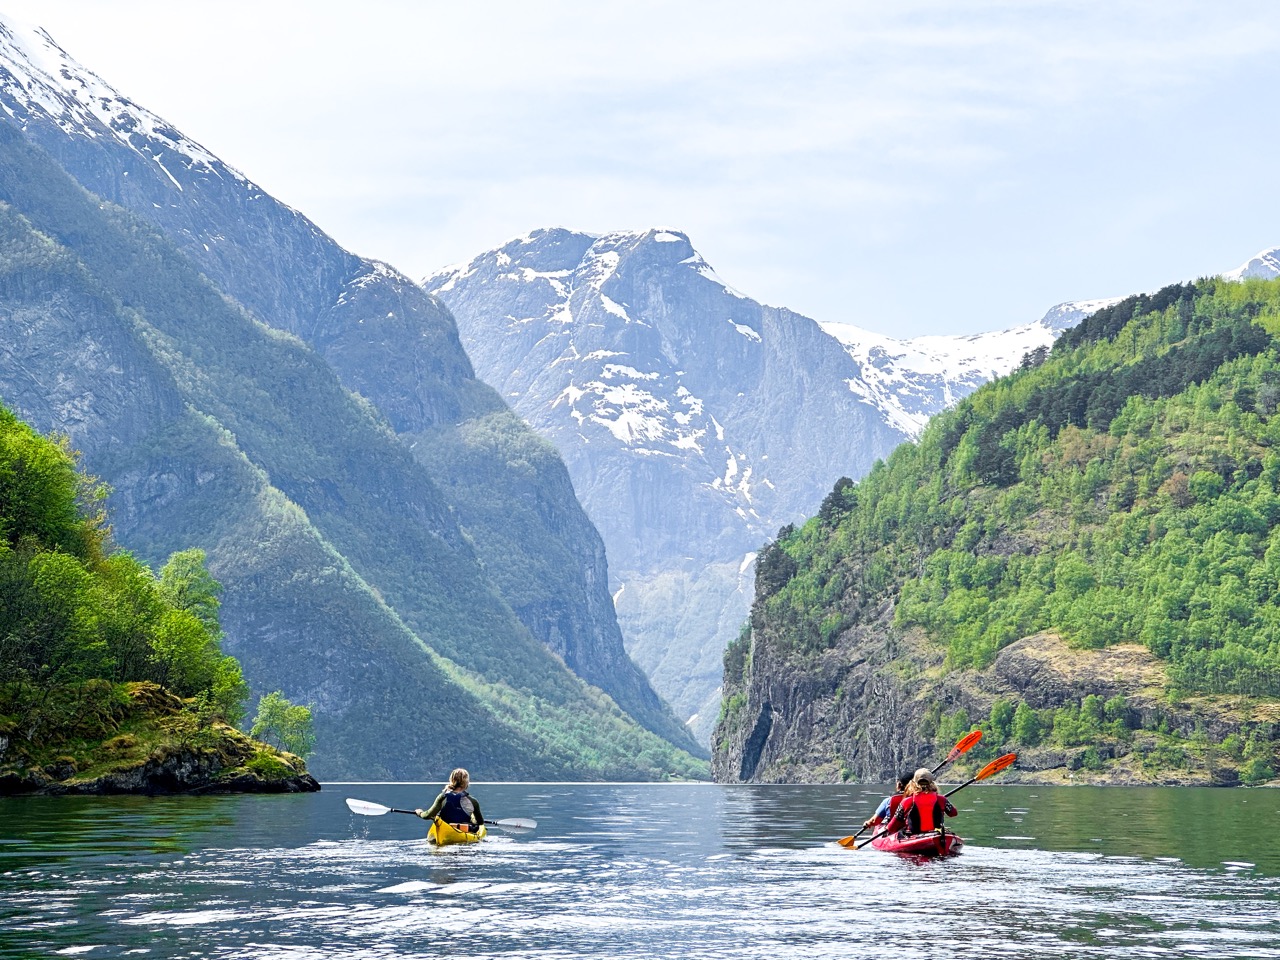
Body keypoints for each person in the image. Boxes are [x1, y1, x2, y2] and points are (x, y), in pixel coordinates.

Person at [885, 768, 957, 836]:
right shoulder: (942, 799)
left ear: (913, 783)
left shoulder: (906, 802)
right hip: (936, 833)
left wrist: (886, 828)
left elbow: (892, 827)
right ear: (932, 783)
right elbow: (953, 813)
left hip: (913, 835)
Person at [415, 768, 485, 833]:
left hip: (445, 830)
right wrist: (472, 818)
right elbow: (480, 822)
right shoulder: (473, 802)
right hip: (464, 831)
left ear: (451, 780)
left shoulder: (442, 797)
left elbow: (428, 815)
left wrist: (420, 813)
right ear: (466, 782)